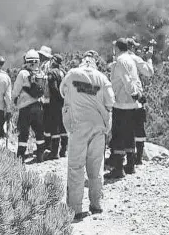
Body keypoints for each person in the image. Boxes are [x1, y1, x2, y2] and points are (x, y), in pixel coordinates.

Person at [60, 51, 115, 220]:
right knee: (96, 166)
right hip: (98, 126)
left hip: (78, 126)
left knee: (76, 167)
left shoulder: (72, 74)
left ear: (82, 63)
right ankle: (96, 204)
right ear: (95, 64)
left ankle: (75, 208)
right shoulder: (102, 78)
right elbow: (111, 102)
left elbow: (62, 92)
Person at [104, 38, 143, 179]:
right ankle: (130, 165)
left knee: (119, 135)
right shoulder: (131, 59)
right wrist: (139, 94)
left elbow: (127, 81)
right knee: (129, 134)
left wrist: (134, 94)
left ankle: (118, 169)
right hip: (132, 104)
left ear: (117, 48)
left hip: (122, 103)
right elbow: (135, 79)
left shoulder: (120, 61)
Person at [12, 49, 46, 163]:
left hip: (25, 108)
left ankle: (20, 157)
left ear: (26, 61)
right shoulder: (41, 73)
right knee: (39, 132)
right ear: (37, 61)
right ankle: (40, 156)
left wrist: (14, 100)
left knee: (24, 133)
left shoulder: (23, 73)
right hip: (39, 107)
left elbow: (16, 90)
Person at [126, 37, 154, 165]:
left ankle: (126, 157)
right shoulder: (134, 59)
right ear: (131, 47)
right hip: (136, 96)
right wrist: (148, 57)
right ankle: (137, 158)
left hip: (121, 97)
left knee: (125, 128)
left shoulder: (118, 60)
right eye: (135, 47)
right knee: (138, 127)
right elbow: (149, 72)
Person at [45, 54, 68, 159]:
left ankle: (54, 153)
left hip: (54, 104)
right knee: (64, 127)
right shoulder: (64, 72)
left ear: (53, 61)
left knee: (55, 128)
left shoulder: (51, 72)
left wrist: (58, 98)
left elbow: (53, 88)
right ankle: (64, 150)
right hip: (64, 103)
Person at [38, 45, 54, 154]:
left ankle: (47, 146)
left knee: (47, 124)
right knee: (46, 124)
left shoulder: (46, 66)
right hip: (47, 99)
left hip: (47, 99)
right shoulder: (45, 65)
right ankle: (47, 145)